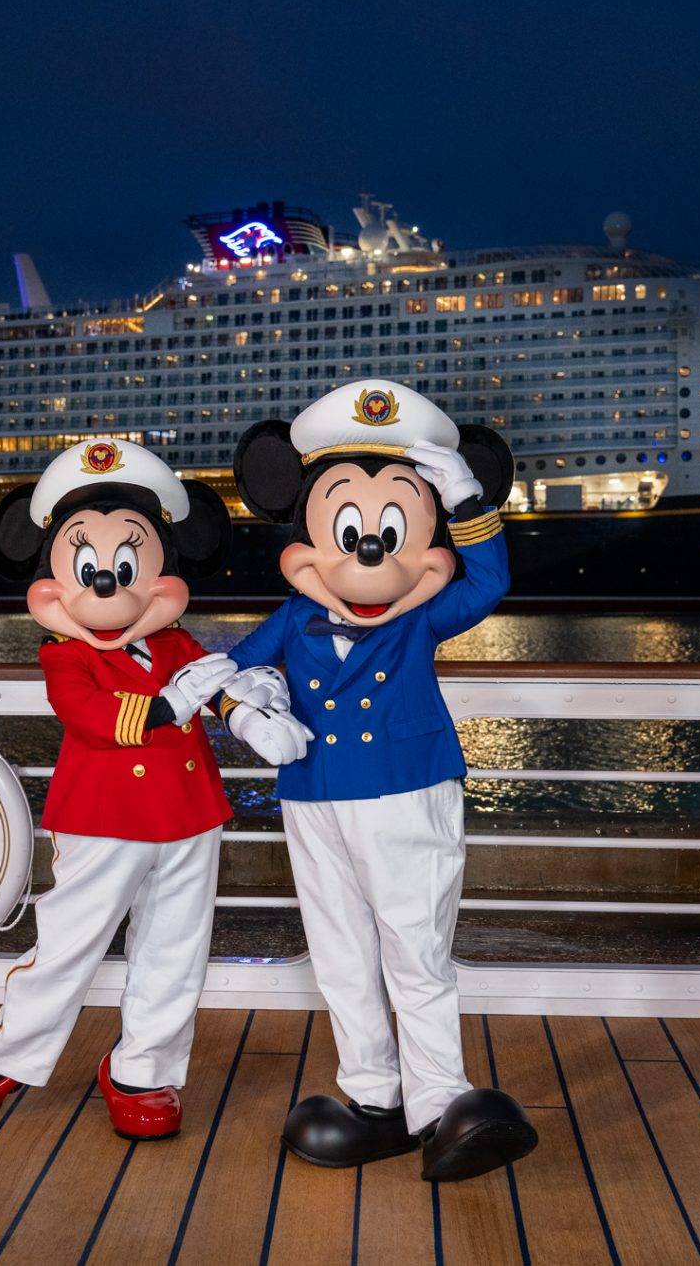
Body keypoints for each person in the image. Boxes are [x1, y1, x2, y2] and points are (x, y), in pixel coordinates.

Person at [0, 438, 305, 1139]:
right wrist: (169, 706)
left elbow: (213, 688)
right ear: (50, 575)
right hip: (102, 820)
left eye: (128, 564)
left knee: (174, 947)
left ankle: (145, 1068)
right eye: (89, 566)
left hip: (188, 814)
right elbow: (91, 715)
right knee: (69, 943)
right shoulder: (64, 657)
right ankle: (4, 1053)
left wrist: (249, 714)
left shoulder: (177, 644)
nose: (108, 583)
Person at [226, 381, 538, 1182]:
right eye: (350, 525)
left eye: (391, 527)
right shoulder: (294, 618)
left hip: (407, 789)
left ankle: (438, 1100)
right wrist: (247, 712)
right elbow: (230, 672)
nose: (368, 548)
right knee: (338, 952)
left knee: (415, 947)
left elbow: (488, 584)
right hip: (314, 795)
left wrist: (468, 501)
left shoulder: (418, 616)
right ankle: (373, 1093)